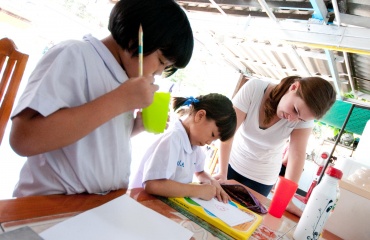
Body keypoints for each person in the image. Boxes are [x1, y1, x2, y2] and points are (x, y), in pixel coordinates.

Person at [9, 0, 194, 197]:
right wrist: (119, 101)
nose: (158, 73)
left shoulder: (123, 79)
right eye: (160, 62)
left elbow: (87, 139)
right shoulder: (75, 54)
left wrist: (133, 127)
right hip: (49, 204)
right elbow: (23, 139)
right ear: (135, 39)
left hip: (94, 205)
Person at [213, 76, 336, 216]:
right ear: (294, 87)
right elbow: (228, 133)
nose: (292, 119)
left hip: (262, 179)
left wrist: (287, 199)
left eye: (300, 119)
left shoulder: (303, 118)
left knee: (241, 219)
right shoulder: (255, 88)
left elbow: (296, 156)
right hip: (231, 163)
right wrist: (223, 173)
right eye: (295, 110)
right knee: (215, 209)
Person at [129, 94, 237, 203]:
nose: (209, 142)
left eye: (215, 140)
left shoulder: (194, 143)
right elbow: (153, 185)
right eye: (212, 135)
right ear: (200, 116)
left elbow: (199, 172)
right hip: (141, 203)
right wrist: (197, 190)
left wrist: (211, 182)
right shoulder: (173, 138)